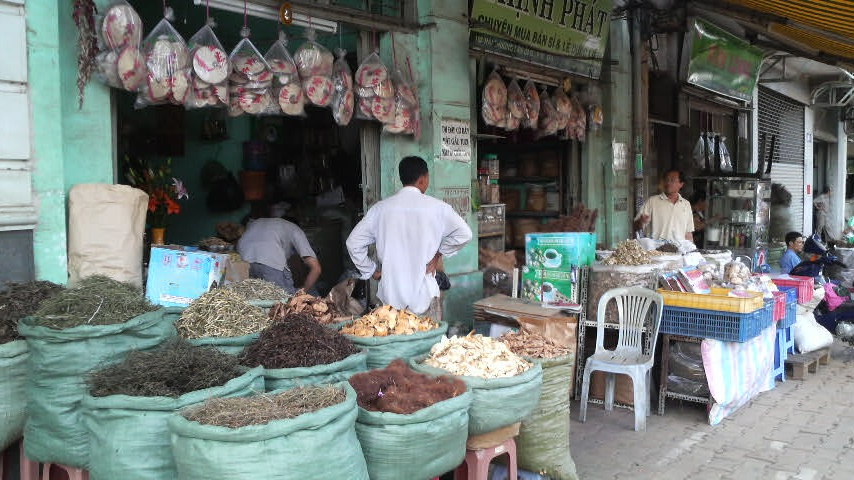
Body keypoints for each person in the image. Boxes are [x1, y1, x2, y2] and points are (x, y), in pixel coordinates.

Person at [346, 156, 473, 320]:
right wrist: (438, 255)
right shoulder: (439, 208)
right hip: (425, 298)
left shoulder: (380, 209)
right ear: (423, 179)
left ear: (402, 178)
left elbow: (353, 242)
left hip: (391, 301)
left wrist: (371, 270)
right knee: (429, 343)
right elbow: (465, 234)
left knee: (395, 343)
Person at [237, 205, 321, 293]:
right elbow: (316, 268)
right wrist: (302, 293)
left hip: (242, 260)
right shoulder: (295, 229)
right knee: (285, 301)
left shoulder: (258, 222)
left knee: (252, 297)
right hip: (269, 261)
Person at [633, 169, 695, 243]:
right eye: (666, 180)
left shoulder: (686, 204)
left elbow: (688, 233)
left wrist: (692, 249)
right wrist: (641, 221)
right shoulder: (652, 201)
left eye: (672, 180)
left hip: (679, 251)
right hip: (656, 250)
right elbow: (635, 226)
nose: (668, 183)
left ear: (681, 184)